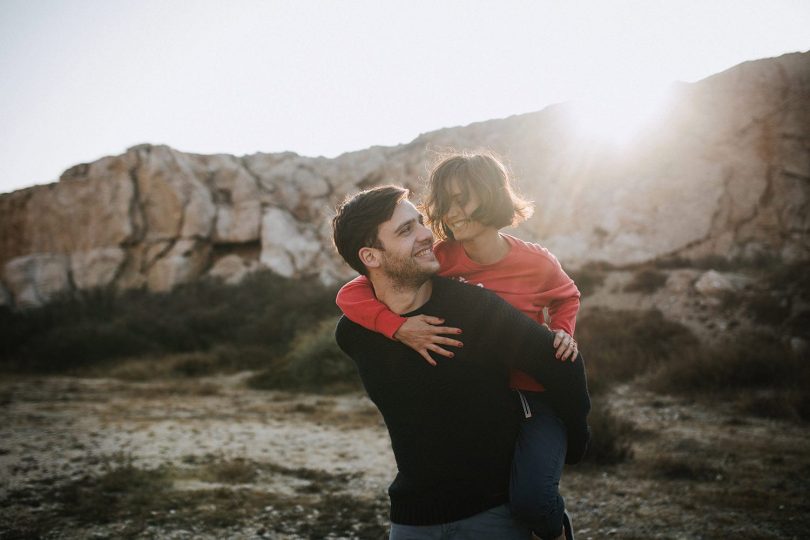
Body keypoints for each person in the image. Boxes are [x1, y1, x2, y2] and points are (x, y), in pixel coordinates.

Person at [336, 152, 581, 540]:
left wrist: (564, 332)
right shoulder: (365, 325)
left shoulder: (507, 283)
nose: (432, 230)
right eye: (406, 230)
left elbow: (566, 319)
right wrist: (397, 328)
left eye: (420, 222)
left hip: (516, 449)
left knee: (534, 496)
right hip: (418, 507)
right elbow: (352, 294)